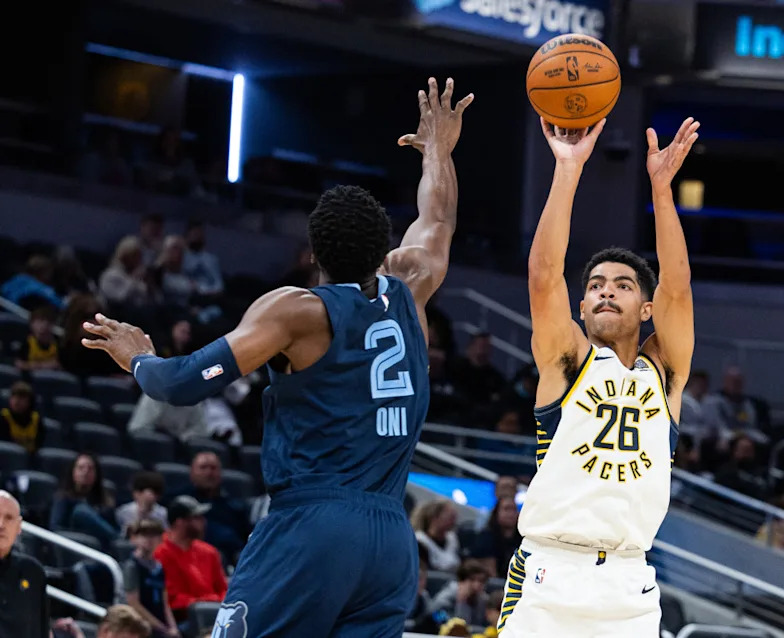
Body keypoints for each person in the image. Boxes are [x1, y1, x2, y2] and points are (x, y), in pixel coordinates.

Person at [83, 76, 473, 637]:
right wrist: (438, 150)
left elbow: (181, 383)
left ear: (312, 252)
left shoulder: (296, 311)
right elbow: (437, 219)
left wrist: (139, 357)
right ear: (383, 248)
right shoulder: (412, 285)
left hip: (314, 526)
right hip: (391, 540)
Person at [501, 115, 699, 638]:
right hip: (550, 572)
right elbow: (544, 276)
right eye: (594, 285)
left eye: (623, 285)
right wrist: (568, 169)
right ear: (582, 306)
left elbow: (678, 289)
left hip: (629, 584)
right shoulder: (567, 360)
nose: (606, 290)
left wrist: (662, 190)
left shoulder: (664, 372)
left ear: (647, 308)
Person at [0, 491, 48, 638]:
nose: (1, 525)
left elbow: (42, 631)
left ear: (19, 526)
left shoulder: (33, 572)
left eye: (9, 518)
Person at [122, 519, 178, 637]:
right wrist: (162, 628)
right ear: (134, 538)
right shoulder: (132, 566)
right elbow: (133, 603)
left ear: (161, 539)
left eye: (154, 535)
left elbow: (164, 603)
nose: (149, 539)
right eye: (144, 534)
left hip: (159, 624)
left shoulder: (159, 567)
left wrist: (173, 627)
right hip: (138, 624)